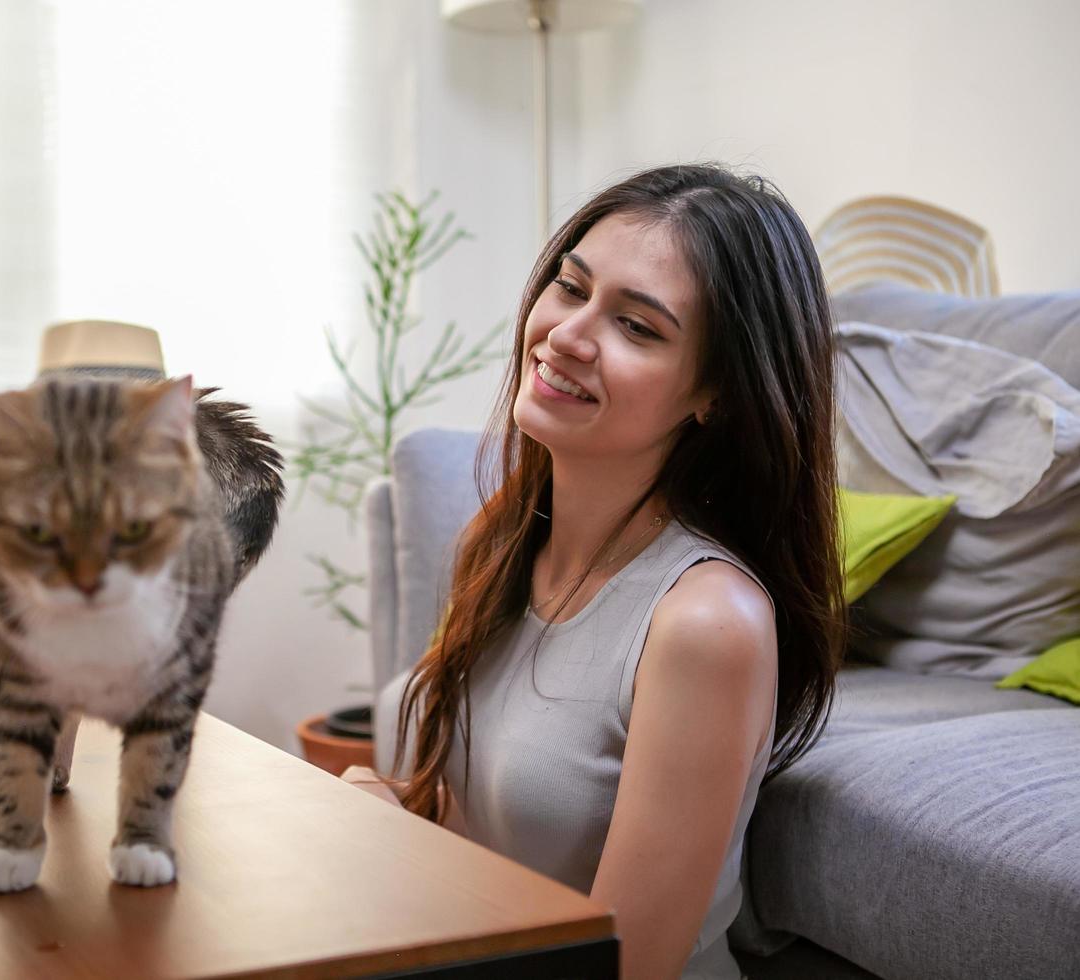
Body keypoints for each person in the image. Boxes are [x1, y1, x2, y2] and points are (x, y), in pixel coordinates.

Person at [354, 163, 846, 980]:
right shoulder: (501, 540)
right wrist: (382, 814)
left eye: (638, 328)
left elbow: (624, 969)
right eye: (570, 286)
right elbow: (469, 835)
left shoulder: (704, 623)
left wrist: (383, 836)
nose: (568, 335)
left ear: (716, 395)